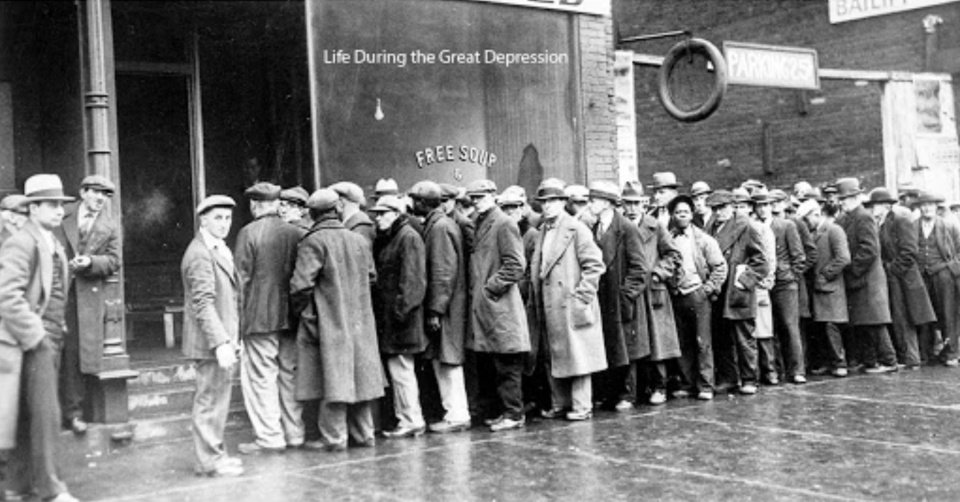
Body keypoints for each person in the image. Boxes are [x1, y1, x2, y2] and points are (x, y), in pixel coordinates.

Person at [0, 174, 79, 502]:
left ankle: (17, 486)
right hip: (28, 343)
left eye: (61, 204)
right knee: (46, 415)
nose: (59, 211)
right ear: (32, 208)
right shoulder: (23, 241)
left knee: (26, 416)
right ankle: (51, 488)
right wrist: (37, 338)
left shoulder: (50, 240)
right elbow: (6, 294)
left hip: (45, 340)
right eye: (51, 204)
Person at [290, 189, 385, 451]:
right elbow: (372, 278)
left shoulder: (314, 241)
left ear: (312, 213)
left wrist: (305, 314)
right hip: (360, 322)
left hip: (328, 321)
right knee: (360, 378)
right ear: (337, 210)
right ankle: (365, 434)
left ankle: (335, 438)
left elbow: (300, 287)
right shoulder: (357, 240)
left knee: (331, 378)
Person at [234, 182, 305, 454]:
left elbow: (241, 281)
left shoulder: (248, 233)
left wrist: (238, 324)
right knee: (289, 375)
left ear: (254, 205)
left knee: (262, 377)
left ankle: (270, 437)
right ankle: (295, 433)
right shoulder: (296, 232)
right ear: (276, 204)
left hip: (260, 317)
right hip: (291, 317)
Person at [530, 179, 606, 421]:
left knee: (578, 355)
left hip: (569, 302)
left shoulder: (577, 229)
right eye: (543, 202)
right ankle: (559, 403)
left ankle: (582, 406)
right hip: (548, 301)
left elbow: (595, 265)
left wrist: (581, 297)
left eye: (553, 201)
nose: (547, 206)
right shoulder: (543, 230)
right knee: (553, 354)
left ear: (563, 203)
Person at [50, 175, 120, 436]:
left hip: (84, 299)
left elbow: (114, 261)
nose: (101, 199)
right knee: (48, 350)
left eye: (105, 195)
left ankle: (74, 413)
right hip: (54, 291)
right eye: (96, 193)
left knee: (75, 355)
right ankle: (47, 414)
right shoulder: (61, 213)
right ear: (82, 192)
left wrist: (90, 263)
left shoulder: (109, 226)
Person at [181, 194, 244, 477]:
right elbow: (203, 303)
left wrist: (232, 337)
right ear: (203, 219)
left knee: (217, 399)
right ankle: (209, 460)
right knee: (209, 400)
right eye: (217, 218)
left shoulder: (215, 249)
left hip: (220, 339)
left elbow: (228, 298)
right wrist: (220, 342)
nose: (224, 224)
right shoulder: (200, 254)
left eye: (228, 218)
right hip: (210, 342)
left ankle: (215, 456)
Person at [466, 179, 530, 432]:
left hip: (500, 305)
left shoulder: (504, 223)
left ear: (493, 196)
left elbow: (516, 264)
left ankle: (514, 414)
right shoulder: (481, 222)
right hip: (490, 306)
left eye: (480, 197)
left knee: (507, 363)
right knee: (496, 362)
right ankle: (507, 412)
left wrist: (491, 287)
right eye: (473, 198)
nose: (476, 202)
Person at [409, 181, 470, 433]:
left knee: (448, 360)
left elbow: (443, 273)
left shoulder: (439, 228)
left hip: (445, 308)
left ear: (424, 203)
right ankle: (454, 413)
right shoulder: (440, 224)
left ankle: (457, 415)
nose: (412, 205)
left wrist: (435, 311)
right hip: (447, 305)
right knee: (444, 359)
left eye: (415, 200)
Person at [369, 195, 428, 438]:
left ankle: (411, 420)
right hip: (397, 319)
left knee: (402, 371)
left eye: (383, 213)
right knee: (400, 371)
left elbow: (414, 282)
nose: (378, 218)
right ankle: (408, 418)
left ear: (396, 213)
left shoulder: (407, 238)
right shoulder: (398, 236)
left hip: (402, 320)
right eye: (377, 213)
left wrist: (399, 312)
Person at [587, 180, 645, 411]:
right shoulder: (595, 228)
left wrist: (625, 295)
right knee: (610, 345)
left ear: (607, 203)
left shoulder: (627, 229)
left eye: (594, 200)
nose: (590, 204)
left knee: (626, 348)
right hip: (602, 298)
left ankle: (627, 394)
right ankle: (611, 393)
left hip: (619, 299)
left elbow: (640, 269)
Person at [866, 188, 935, 370]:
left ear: (886, 205)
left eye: (876, 205)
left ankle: (911, 358)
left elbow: (910, 250)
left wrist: (893, 269)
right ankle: (907, 357)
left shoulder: (899, 220)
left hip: (904, 278)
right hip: (894, 277)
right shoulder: (880, 223)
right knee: (898, 317)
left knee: (905, 318)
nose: (873, 208)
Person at [706, 190, 768, 395]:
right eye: (714, 208)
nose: (718, 212)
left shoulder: (746, 227)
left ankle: (750, 378)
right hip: (718, 291)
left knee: (744, 338)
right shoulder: (710, 228)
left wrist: (743, 281)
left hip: (737, 291)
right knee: (722, 338)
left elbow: (762, 263)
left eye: (722, 207)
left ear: (732, 206)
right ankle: (728, 378)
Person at [834, 178, 898, 374]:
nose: (842, 202)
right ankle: (870, 361)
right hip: (859, 278)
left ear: (855, 197)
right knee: (863, 322)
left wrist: (852, 270)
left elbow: (870, 250)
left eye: (845, 198)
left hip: (868, 279)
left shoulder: (863, 217)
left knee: (875, 321)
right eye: (841, 198)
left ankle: (889, 360)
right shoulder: (845, 219)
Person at [667, 195, 727, 400]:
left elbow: (720, 267)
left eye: (685, 212)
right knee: (683, 342)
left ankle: (705, 386)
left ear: (691, 214)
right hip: (677, 295)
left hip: (698, 295)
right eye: (677, 213)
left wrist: (707, 289)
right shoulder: (669, 238)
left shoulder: (704, 240)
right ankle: (687, 383)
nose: (681, 216)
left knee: (703, 342)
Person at [635, 179, 683, 405]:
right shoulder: (624, 227)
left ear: (642, 204)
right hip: (634, 291)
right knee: (640, 342)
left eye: (636, 203)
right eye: (627, 203)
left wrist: (658, 274)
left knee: (658, 343)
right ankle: (643, 387)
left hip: (654, 292)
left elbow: (673, 255)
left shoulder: (655, 226)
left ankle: (660, 387)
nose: (632, 208)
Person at [797, 200, 851, 376]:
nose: (806, 224)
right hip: (820, 288)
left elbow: (843, 258)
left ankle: (840, 363)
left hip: (831, 287)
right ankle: (829, 362)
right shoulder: (816, 232)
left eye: (807, 219)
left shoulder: (834, 230)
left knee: (831, 326)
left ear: (816, 214)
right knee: (822, 327)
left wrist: (824, 275)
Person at [761, 190, 808, 384]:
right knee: (768, 328)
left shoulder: (786, 225)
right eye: (760, 206)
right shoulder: (755, 227)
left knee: (790, 327)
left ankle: (797, 370)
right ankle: (774, 371)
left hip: (784, 284)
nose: (763, 209)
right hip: (764, 283)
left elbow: (799, 256)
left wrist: (791, 276)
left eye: (767, 205)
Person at [913, 190, 960, 366]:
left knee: (948, 313)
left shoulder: (949, 226)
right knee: (925, 314)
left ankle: (951, 353)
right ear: (919, 208)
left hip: (943, 275)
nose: (927, 209)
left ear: (936, 207)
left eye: (930, 205)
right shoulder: (913, 226)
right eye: (923, 206)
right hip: (921, 276)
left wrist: (950, 268)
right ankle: (927, 353)